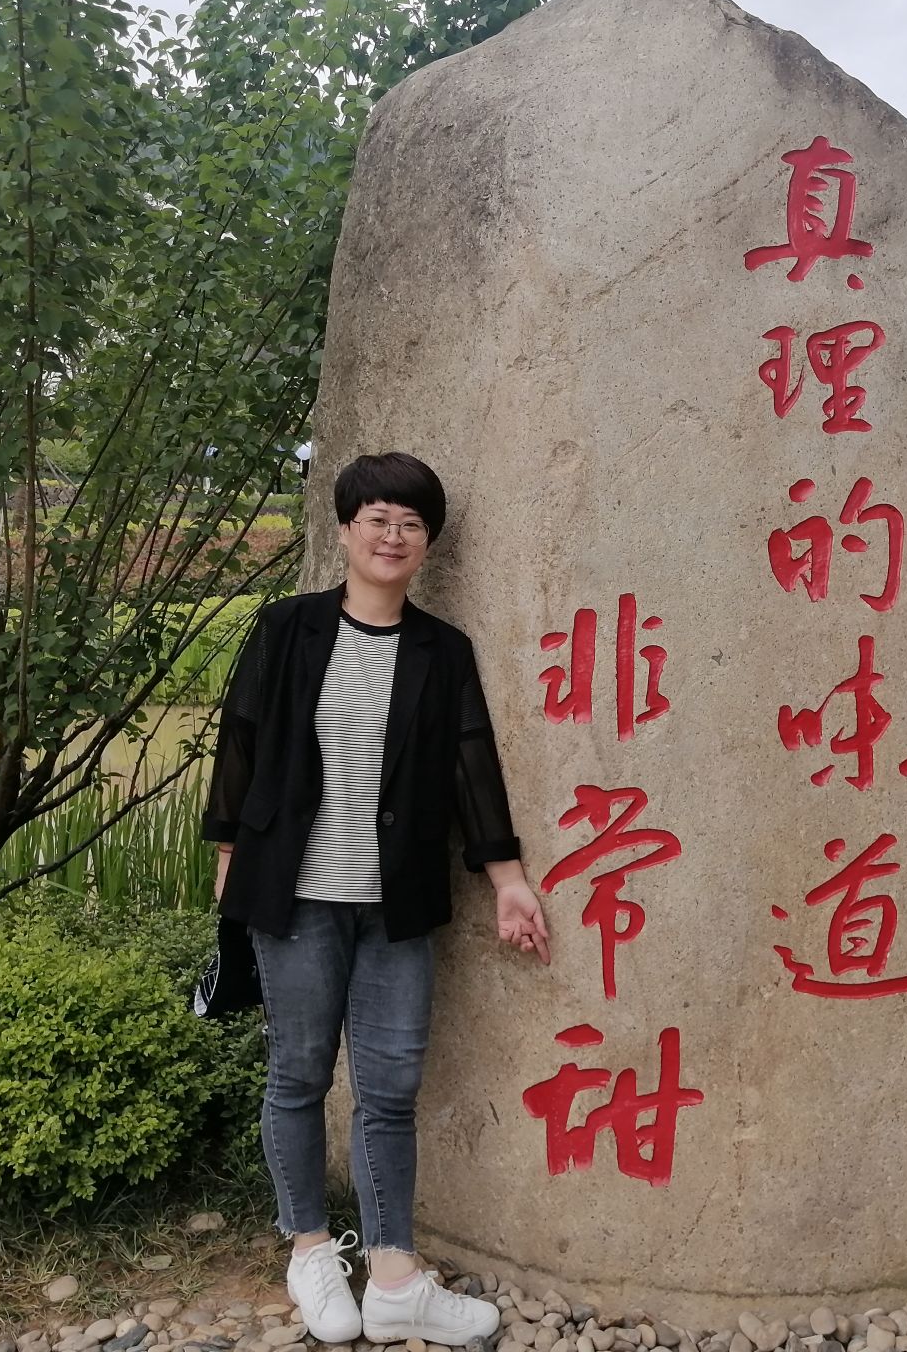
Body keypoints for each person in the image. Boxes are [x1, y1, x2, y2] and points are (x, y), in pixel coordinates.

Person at [204, 451, 552, 1348]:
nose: (393, 536)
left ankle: (395, 1275)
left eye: (411, 524)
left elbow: (472, 764)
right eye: (378, 519)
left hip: (396, 903)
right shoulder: (287, 627)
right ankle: (311, 1249)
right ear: (346, 530)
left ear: (427, 543)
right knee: (299, 1073)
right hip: (296, 896)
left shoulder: (443, 650)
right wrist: (229, 853)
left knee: (391, 1088)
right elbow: (241, 735)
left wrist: (507, 878)